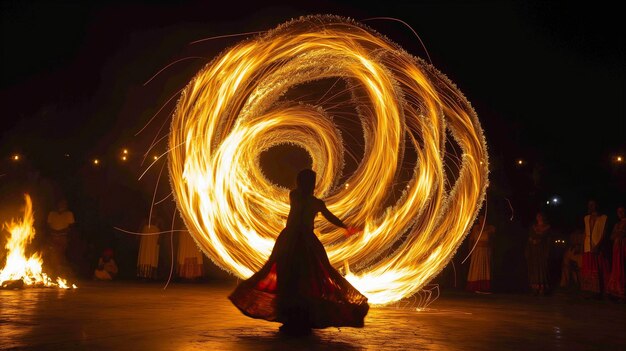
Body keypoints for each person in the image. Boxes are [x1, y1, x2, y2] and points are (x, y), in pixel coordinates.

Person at [229, 169, 369, 335]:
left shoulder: (301, 197)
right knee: (294, 279)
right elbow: (328, 216)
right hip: (298, 241)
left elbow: (329, 216)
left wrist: (346, 227)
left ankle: (298, 318)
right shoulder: (303, 198)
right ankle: (294, 318)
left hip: (295, 240)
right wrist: (345, 227)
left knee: (298, 279)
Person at [581, 199, 608, 297]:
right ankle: (590, 291)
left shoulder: (603, 218)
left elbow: (604, 234)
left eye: (593, 204)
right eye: (589, 205)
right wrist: (582, 246)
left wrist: (598, 245)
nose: (591, 206)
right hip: (588, 246)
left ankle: (600, 291)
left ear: (597, 205)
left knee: (600, 268)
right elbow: (586, 232)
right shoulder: (586, 218)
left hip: (598, 246)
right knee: (588, 269)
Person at [465, 212, 496, 293]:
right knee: (476, 268)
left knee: (485, 268)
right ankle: (474, 286)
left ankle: (484, 287)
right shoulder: (476, 228)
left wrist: (491, 251)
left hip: (485, 251)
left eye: (483, 219)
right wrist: (470, 251)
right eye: (480, 219)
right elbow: (471, 240)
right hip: (477, 251)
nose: (482, 220)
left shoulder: (490, 229)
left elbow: (492, 242)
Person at [46, 199, 75, 275]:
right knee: (53, 254)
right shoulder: (52, 214)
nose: (61, 206)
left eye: (63, 204)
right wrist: (53, 233)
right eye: (60, 204)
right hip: (53, 236)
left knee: (61, 254)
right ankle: (53, 272)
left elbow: (71, 226)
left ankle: (60, 273)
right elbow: (48, 225)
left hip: (63, 236)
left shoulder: (69, 214)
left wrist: (63, 232)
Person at [525, 212, 552, 295]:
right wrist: (532, 241)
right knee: (535, 268)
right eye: (538, 216)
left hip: (542, 250)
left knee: (542, 268)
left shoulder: (547, 227)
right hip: (534, 250)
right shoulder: (533, 227)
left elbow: (548, 238)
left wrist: (540, 241)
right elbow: (530, 237)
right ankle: (535, 287)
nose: (539, 217)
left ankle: (542, 288)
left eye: (540, 216)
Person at [606, 205, 626, 301]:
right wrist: (618, 234)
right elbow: (612, 237)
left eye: (622, 211)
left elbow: (622, 234)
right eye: (618, 212)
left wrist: (620, 234)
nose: (620, 214)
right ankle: (616, 292)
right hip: (617, 248)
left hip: (624, 247)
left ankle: (622, 293)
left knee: (623, 267)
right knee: (617, 268)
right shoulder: (617, 224)